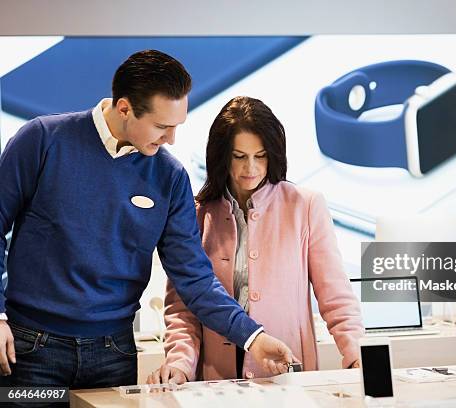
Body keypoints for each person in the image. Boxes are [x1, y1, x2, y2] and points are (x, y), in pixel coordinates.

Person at [0, 50, 294, 392]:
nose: (171, 139)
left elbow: (194, 278)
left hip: (113, 355)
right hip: (30, 348)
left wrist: (253, 338)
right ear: (124, 108)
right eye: (162, 126)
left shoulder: (170, 177)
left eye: (176, 126)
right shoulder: (42, 140)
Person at [147, 96, 364, 384]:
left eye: (260, 156)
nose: (251, 167)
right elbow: (183, 308)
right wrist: (179, 363)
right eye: (239, 156)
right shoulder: (196, 213)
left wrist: (358, 355)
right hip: (217, 381)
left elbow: (336, 298)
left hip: (287, 375)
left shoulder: (306, 206)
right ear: (222, 156)